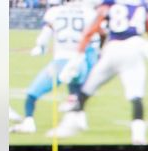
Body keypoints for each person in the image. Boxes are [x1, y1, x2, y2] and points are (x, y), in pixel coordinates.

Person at [49, 0, 148, 145]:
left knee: (87, 88)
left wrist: (77, 58)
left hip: (113, 48)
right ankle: (138, 135)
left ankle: (72, 122)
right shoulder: (140, 5)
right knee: (136, 96)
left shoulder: (110, 4)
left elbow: (91, 30)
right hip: (134, 49)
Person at [10, 0, 101, 135]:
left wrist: (40, 47)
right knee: (77, 90)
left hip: (62, 60)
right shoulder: (89, 13)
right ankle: (80, 119)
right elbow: (94, 39)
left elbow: (44, 37)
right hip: (79, 60)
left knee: (31, 95)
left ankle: (28, 122)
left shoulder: (54, 12)